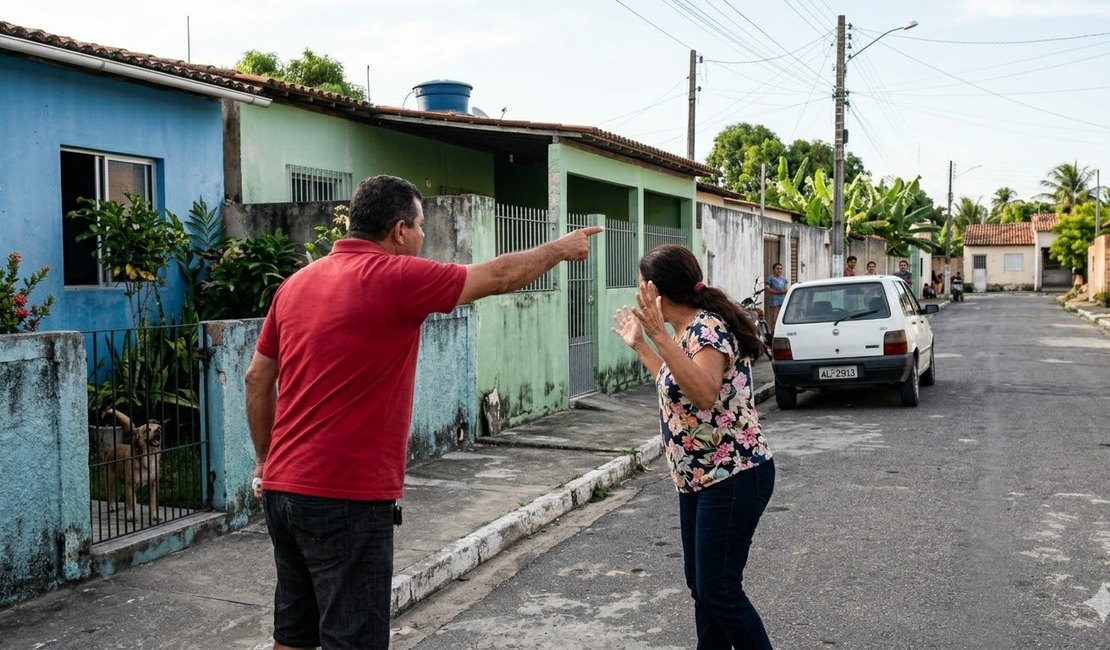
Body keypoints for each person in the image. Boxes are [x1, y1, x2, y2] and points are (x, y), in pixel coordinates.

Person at [244, 174, 601, 649]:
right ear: (399, 230)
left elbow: (256, 378)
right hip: (347, 496)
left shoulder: (295, 285)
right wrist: (560, 249)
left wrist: (264, 460)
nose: (422, 237)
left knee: (292, 635)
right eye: (420, 227)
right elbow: (498, 276)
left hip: (282, 492)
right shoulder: (394, 277)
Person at [611, 245, 775, 649]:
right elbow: (676, 383)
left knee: (719, 589)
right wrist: (642, 345)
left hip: (732, 473)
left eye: (641, 287)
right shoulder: (685, 332)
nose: (638, 296)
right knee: (703, 587)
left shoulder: (707, 329)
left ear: (656, 291)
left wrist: (658, 336)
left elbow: (703, 393)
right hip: (699, 479)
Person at [764, 262, 788, 335]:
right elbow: (767, 289)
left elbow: (786, 288)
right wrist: (778, 292)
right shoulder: (771, 278)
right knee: (774, 318)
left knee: (782, 317)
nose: (779, 270)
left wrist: (785, 291)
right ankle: (773, 333)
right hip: (774, 301)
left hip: (782, 300)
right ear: (773, 270)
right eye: (777, 268)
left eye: (780, 269)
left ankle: (781, 332)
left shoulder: (783, 279)